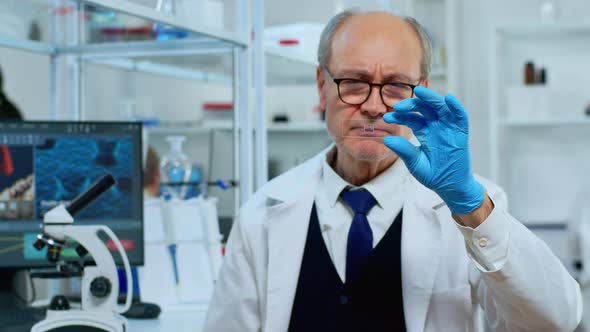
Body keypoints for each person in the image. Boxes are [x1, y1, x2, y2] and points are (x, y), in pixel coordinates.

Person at [203, 11, 582, 332]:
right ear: (322, 87)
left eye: (397, 86)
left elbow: (555, 320)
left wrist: (473, 209)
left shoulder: (472, 206)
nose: (373, 106)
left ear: (422, 93)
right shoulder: (261, 214)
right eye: (353, 82)